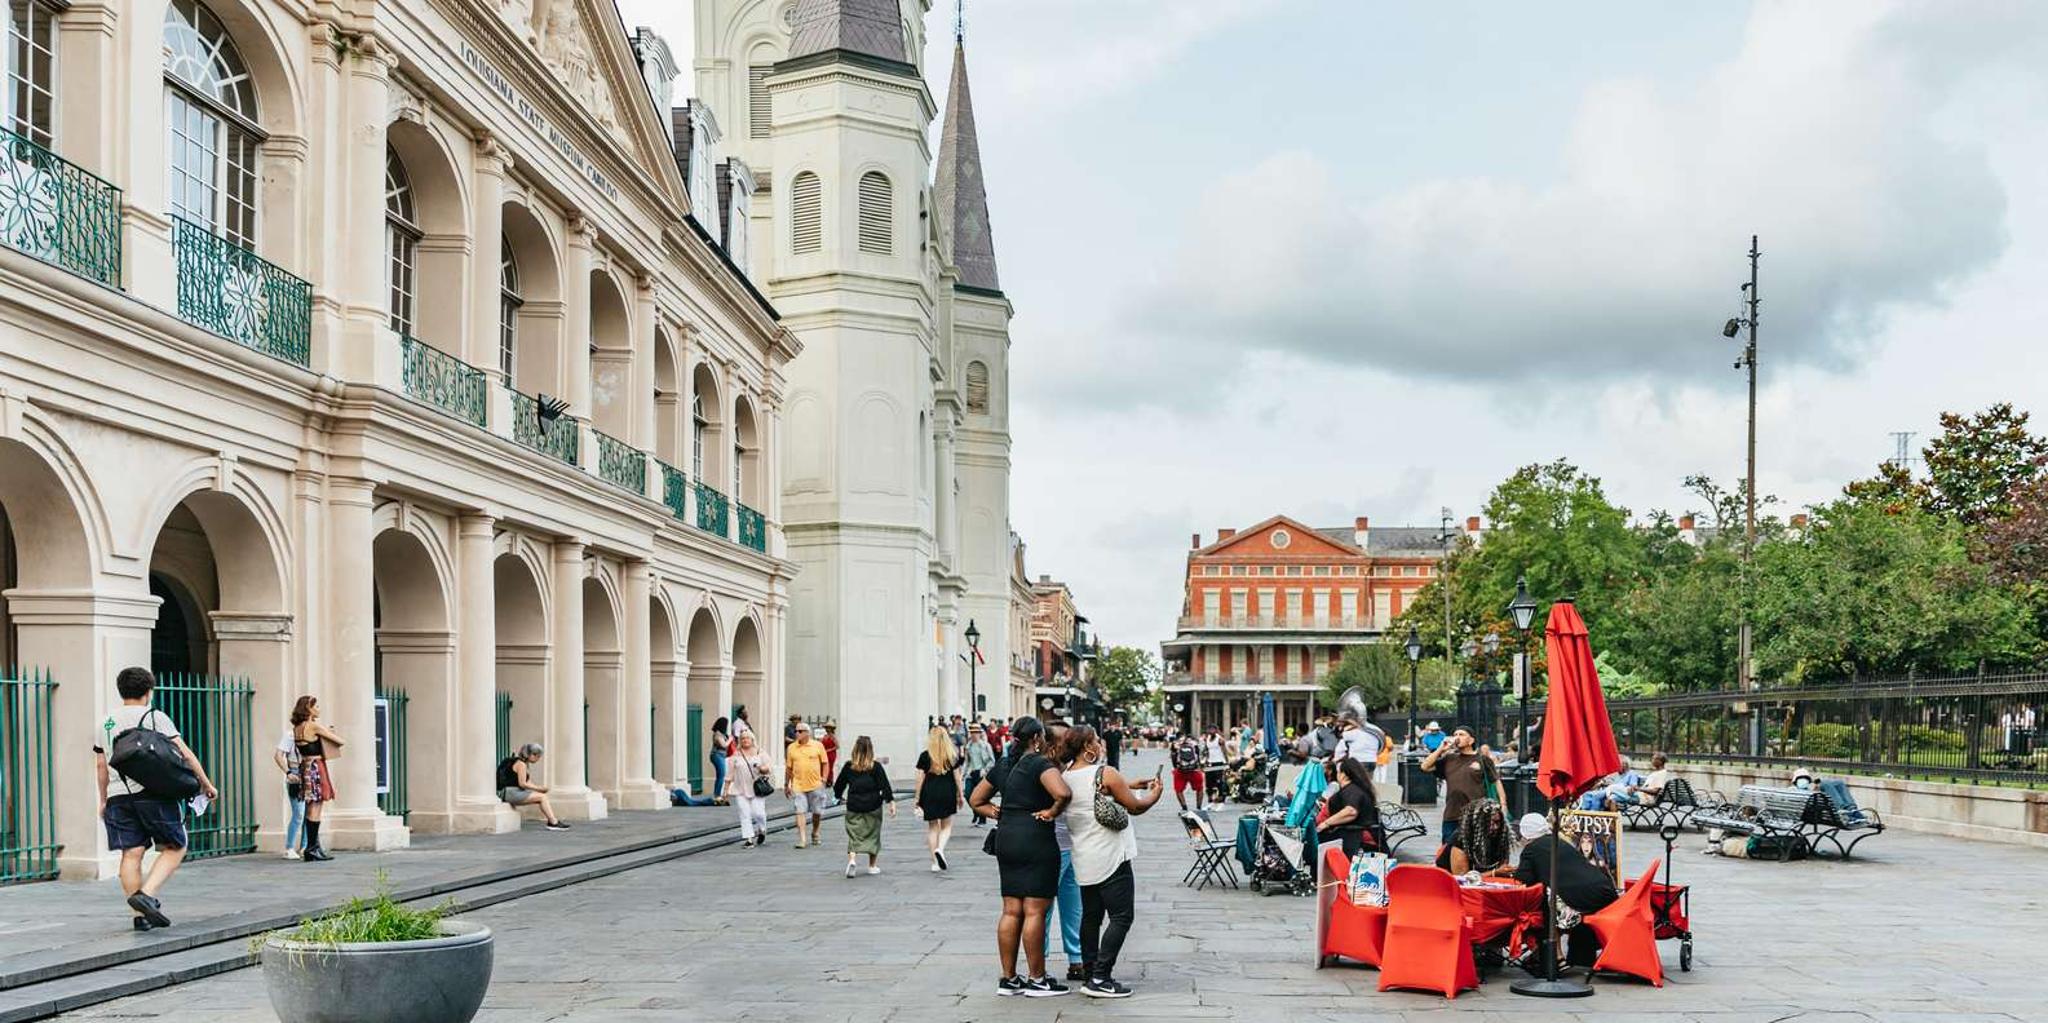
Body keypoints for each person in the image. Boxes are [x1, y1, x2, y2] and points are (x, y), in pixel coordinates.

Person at [94, 667, 217, 930]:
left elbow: (101, 765)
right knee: (176, 845)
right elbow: (184, 753)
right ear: (149, 691)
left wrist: (103, 799)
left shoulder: (106, 722)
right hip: (153, 793)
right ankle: (147, 895)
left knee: (132, 853)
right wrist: (206, 784)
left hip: (118, 796)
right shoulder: (154, 717)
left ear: (121, 690)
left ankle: (139, 916)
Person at [969, 715, 1073, 998]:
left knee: (1011, 909)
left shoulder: (1004, 764)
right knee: (1035, 910)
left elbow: (976, 800)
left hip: (1007, 838)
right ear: (1037, 738)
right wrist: (1051, 812)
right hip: (1035, 838)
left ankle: (1009, 978)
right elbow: (1063, 793)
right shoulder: (1040, 764)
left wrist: (998, 812)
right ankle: (1037, 979)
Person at [1058, 725, 1162, 999]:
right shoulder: (1105, 773)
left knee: (1091, 917)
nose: (1101, 744)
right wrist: (1154, 795)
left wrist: (1130, 785)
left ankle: (1090, 972)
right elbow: (1135, 807)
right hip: (1112, 855)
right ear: (1087, 747)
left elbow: (1095, 790)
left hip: (1084, 856)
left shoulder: (1065, 776)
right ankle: (1102, 977)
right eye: (1096, 740)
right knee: (1122, 916)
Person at [1514, 813, 1618, 967]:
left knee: (1542, 905)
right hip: (1604, 890)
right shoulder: (1559, 841)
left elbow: (1524, 880)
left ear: (1525, 834)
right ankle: (1573, 957)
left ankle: (1554, 956)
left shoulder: (1531, 849)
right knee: (1556, 898)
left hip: (1581, 898)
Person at [832, 735, 897, 877]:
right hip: (873, 805)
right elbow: (885, 785)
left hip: (854, 805)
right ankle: (872, 866)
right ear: (870, 750)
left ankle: (852, 859)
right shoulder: (876, 767)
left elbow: (839, 785)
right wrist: (891, 802)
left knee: (854, 834)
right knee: (873, 834)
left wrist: (838, 796)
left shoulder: (849, 766)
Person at [290, 695, 344, 862]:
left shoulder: (297, 728)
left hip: (305, 766)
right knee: (316, 806)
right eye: (316, 706)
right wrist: (328, 733)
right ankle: (312, 848)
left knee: (310, 806)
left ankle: (313, 847)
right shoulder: (313, 726)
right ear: (308, 708)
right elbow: (340, 741)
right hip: (316, 766)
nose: (318, 709)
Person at [1420, 725, 1494, 843]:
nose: (1457, 737)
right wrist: (1441, 749)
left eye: (1461, 734)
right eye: (1455, 735)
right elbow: (1425, 766)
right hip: (1452, 813)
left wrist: (1503, 805)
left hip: (1475, 814)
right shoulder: (1449, 758)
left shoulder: (1483, 760)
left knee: (1474, 848)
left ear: (1471, 740)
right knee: (1448, 849)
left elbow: (1496, 782)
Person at [916, 725, 964, 871]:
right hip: (947, 792)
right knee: (946, 826)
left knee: (932, 828)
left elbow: (920, 778)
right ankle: (940, 849)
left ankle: (934, 863)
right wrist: (960, 795)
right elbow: (957, 778)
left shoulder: (925, 756)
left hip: (929, 792)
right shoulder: (951, 756)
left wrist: (917, 798)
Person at [1317, 757, 1383, 859]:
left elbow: (1351, 811)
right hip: (1347, 837)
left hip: (1351, 839)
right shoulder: (1355, 789)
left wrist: (1326, 823)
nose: (1337, 775)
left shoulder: (1352, 790)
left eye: (1338, 772)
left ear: (1344, 774)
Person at [497, 743, 572, 830]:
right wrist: (538, 789)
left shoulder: (521, 763)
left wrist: (539, 789)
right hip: (510, 793)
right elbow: (522, 784)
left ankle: (552, 821)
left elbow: (528, 782)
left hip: (511, 791)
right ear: (531, 755)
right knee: (542, 797)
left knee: (542, 796)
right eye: (537, 756)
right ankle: (553, 822)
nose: (538, 759)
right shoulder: (521, 764)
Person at [1434, 798, 1513, 876]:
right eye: (1489, 823)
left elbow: (1502, 868)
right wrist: (1494, 873)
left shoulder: (1501, 836)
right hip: (1446, 881)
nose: (1495, 827)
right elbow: (1461, 877)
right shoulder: (1461, 838)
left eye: (1498, 822)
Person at [784, 721, 830, 848]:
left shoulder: (818, 745)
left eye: (800, 731)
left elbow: (825, 763)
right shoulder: (791, 748)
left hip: (815, 784)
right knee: (800, 811)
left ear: (807, 733)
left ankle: (815, 832)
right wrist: (787, 784)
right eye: (796, 731)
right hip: (798, 785)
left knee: (817, 812)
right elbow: (789, 768)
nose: (796, 733)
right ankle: (802, 839)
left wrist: (824, 779)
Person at [724, 731, 772, 847]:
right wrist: (726, 790)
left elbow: (768, 768)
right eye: (743, 738)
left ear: (752, 740)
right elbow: (730, 774)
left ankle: (762, 829)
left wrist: (762, 768)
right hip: (740, 789)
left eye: (747, 738)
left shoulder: (760, 752)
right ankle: (749, 839)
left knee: (758, 813)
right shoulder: (736, 754)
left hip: (757, 789)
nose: (745, 740)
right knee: (744, 813)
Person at [272, 728, 306, 860]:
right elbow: (278, 755)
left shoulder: (314, 732)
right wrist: (288, 773)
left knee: (310, 814)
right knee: (299, 813)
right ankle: (289, 848)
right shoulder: (291, 735)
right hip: (295, 773)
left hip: (310, 773)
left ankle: (305, 847)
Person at [962, 723, 997, 828]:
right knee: (968, 794)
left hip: (981, 773)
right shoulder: (968, 746)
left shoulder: (985, 746)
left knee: (981, 797)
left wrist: (985, 770)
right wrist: (964, 773)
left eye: (976, 733)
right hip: (971, 772)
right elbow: (967, 761)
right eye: (972, 733)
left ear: (979, 734)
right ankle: (976, 812)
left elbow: (992, 761)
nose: (974, 735)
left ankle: (982, 819)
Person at [1168, 730, 1205, 811]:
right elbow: (1199, 754)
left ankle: (1184, 808)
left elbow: (1173, 756)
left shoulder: (1175, 743)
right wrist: (1199, 765)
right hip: (1194, 769)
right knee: (1200, 788)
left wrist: (1175, 767)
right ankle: (1199, 807)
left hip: (1180, 771)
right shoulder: (1194, 742)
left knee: (1178, 790)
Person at [1201, 726, 1229, 804]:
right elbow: (1206, 750)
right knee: (1208, 781)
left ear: (1216, 730)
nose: (1211, 731)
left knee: (1219, 781)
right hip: (1210, 762)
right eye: (1210, 729)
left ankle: (1221, 796)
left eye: (1213, 729)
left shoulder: (1220, 739)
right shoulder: (1207, 738)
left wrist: (1227, 761)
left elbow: (1224, 750)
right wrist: (1204, 760)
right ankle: (1210, 796)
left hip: (1219, 761)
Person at [708, 717, 731, 805]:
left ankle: (717, 794)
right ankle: (717, 795)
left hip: (721, 756)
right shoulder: (717, 734)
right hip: (717, 755)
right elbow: (724, 745)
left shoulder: (722, 734)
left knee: (720, 775)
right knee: (721, 775)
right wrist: (730, 740)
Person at [821, 722, 841, 799]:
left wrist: (829, 750)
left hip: (831, 754)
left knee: (830, 767)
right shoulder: (825, 736)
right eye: (826, 728)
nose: (827, 729)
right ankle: (825, 779)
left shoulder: (833, 736)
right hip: (825, 753)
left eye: (828, 728)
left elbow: (837, 746)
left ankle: (829, 781)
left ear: (831, 729)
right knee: (824, 766)